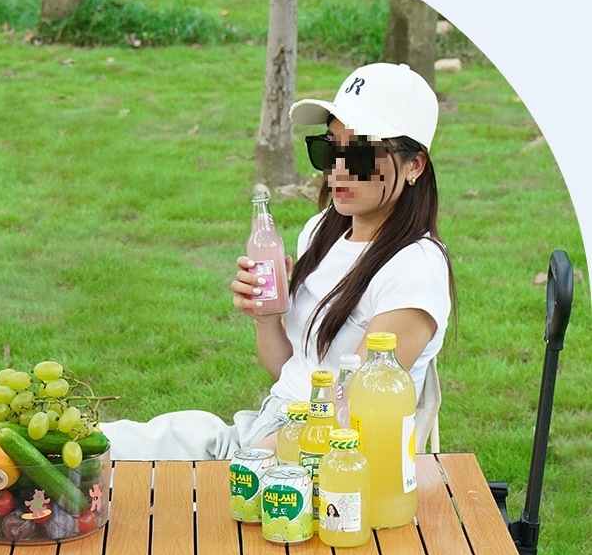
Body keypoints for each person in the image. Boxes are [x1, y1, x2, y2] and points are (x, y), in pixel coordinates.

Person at [104, 63, 454, 461]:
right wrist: (266, 318)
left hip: (324, 459)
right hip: (270, 426)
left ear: (414, 165)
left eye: (359, 154)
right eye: (329, 149)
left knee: (149, 478)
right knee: (102, 444)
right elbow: (290, 369)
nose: (338, 169)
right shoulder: (323, 230)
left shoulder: (414, 270)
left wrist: (251, 459)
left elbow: (348, 417)